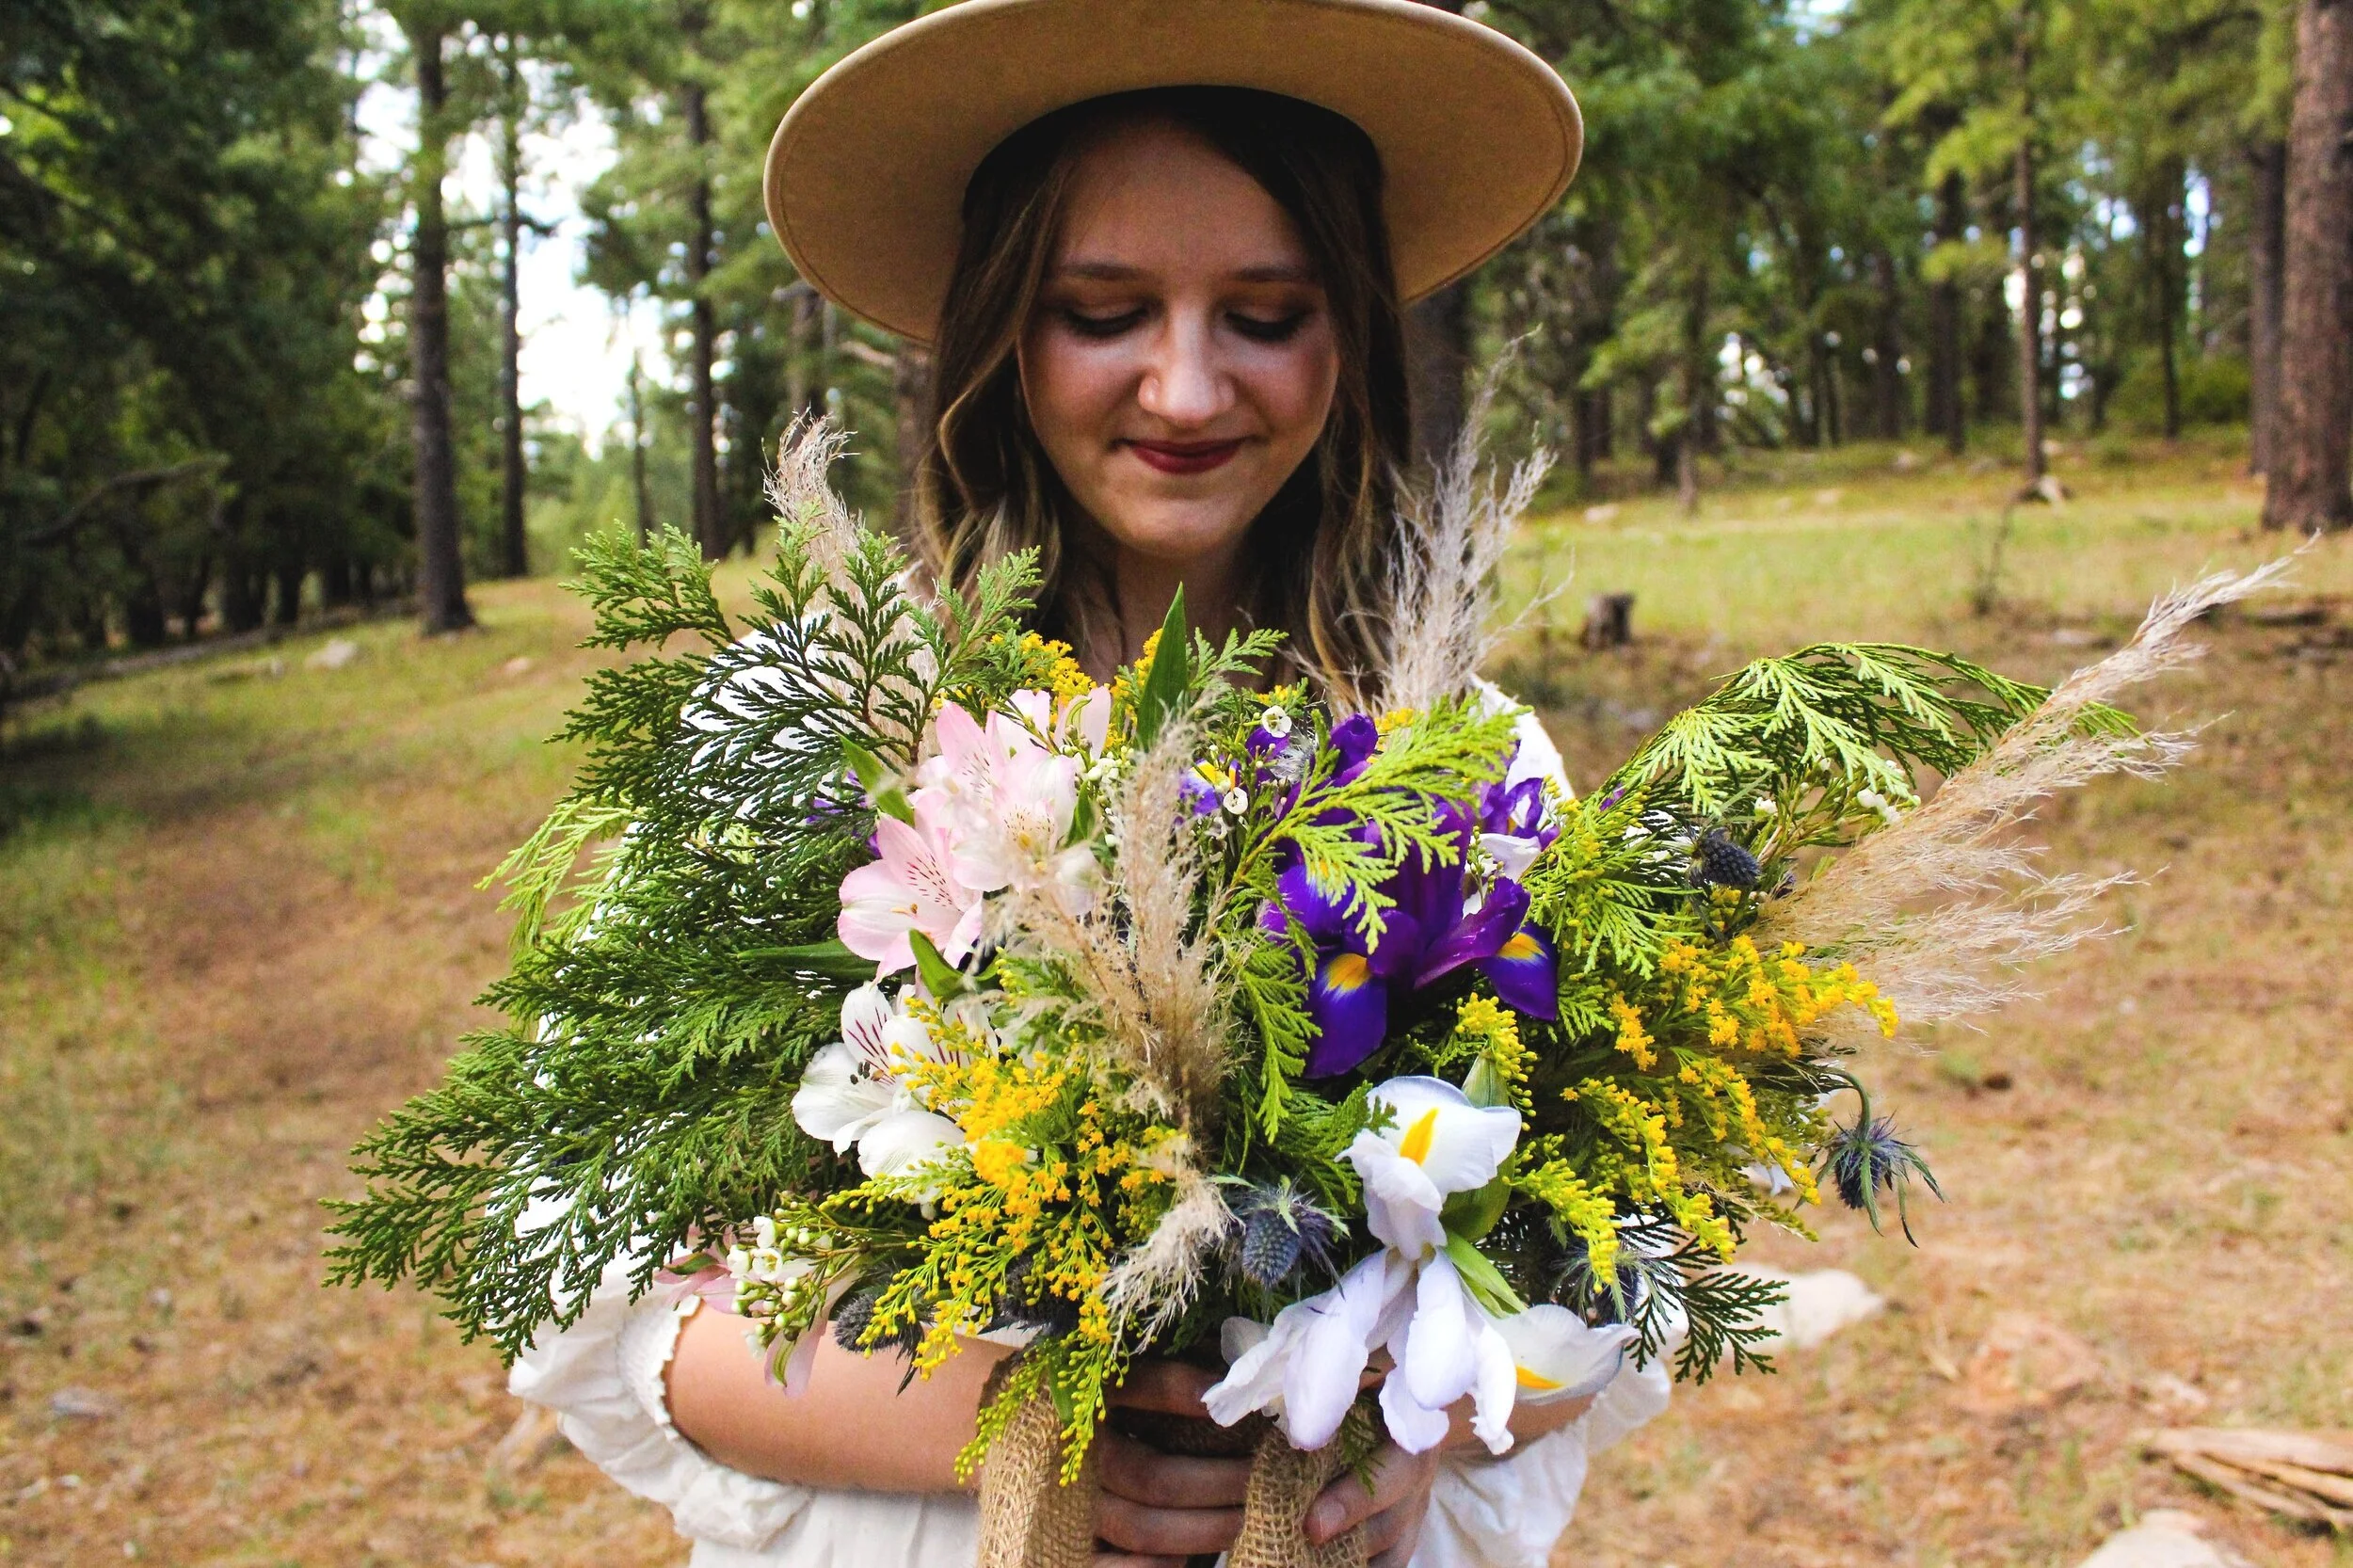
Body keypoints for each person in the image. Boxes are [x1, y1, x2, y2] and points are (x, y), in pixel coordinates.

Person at [510, 1, 1669, 1563]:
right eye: (1103, 309)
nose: (1186, 393)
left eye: (1264, 313)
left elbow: (1622, 1289)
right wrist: (1031, 1437)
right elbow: (602, 1316)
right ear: (998, 323)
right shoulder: (813, 731)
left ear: (1354, 334)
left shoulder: (1464, 761)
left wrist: (1411, 1416)